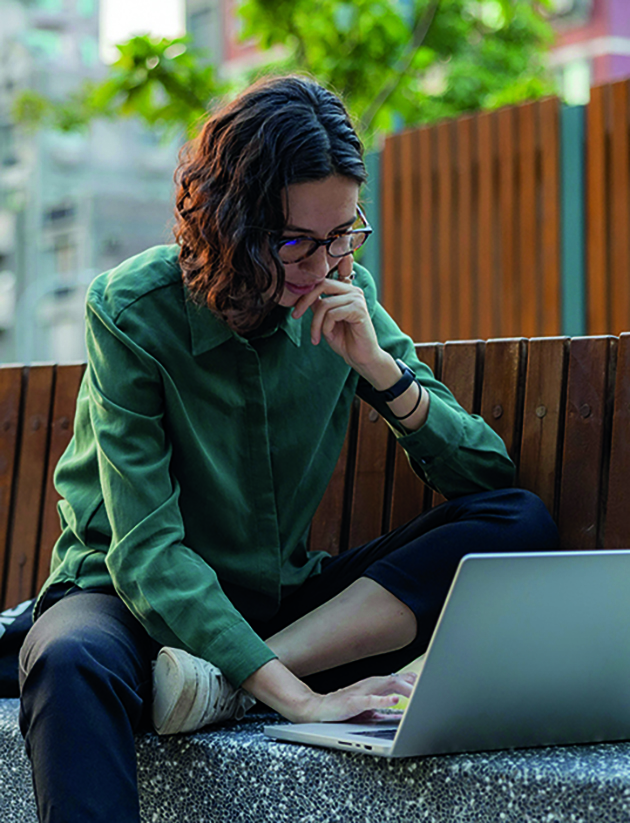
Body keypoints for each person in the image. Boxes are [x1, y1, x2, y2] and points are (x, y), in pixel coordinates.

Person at [18, 75, 558, 823]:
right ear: (230, 224)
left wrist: (380, 369)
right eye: (296, 241)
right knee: (67, 660)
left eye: (342, 235)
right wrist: (300, 698)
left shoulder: (345, 297)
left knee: (517, 524)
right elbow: (145, 553)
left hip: (279, 611)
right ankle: (245, 673)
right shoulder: (131, 310)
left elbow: (486, 476)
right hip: (128, 604)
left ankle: (222, 682)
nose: (323, 265)